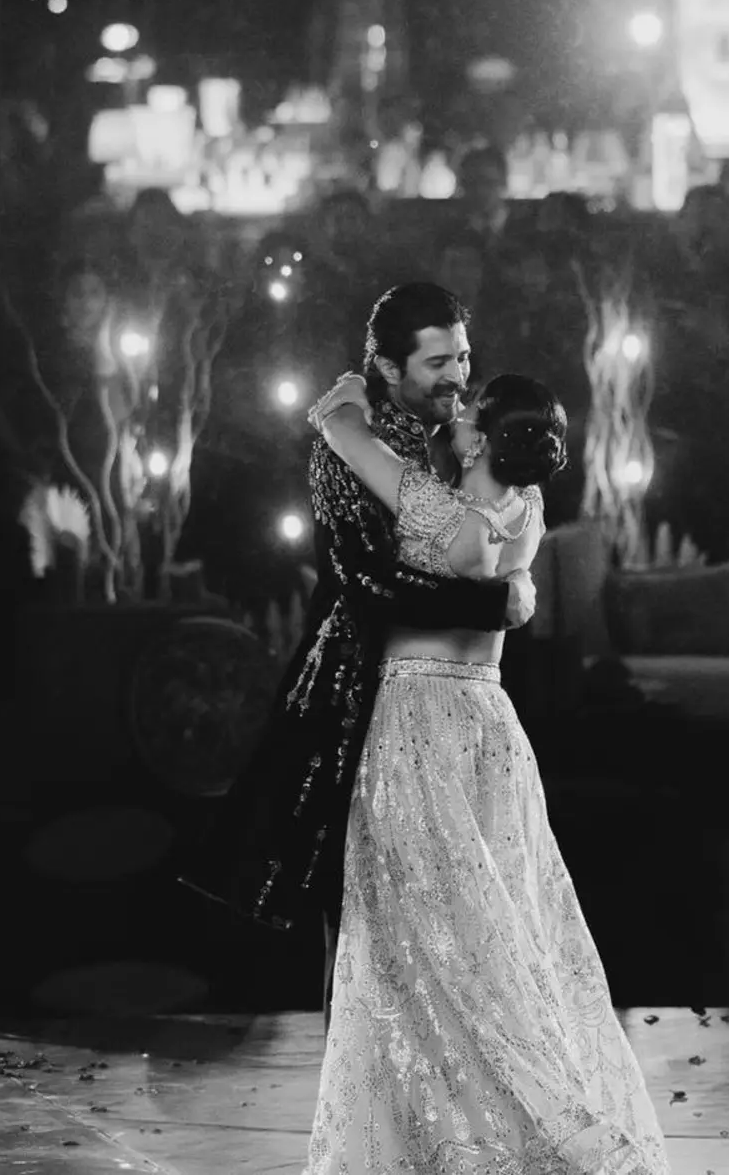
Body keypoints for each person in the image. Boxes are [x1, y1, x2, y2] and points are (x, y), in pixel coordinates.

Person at [302, 369, 670, 1175]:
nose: (455, 410)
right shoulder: (526, 513)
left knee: (429, 937)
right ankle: (456, 1129)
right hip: (491, 730)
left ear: (480, 436)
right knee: (490, 931)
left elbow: (352, 443)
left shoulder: (453, 520)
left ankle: (461, 1138)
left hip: (419, 730)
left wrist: (348, 412)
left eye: (468, 411)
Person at [207, 283, 518, 1020]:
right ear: (384, 365)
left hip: (456, 698)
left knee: (460, 911)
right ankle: (362, 1107)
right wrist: (497, 602)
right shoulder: (343, 447)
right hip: (358, 698)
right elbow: (369, 584)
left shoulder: (460, 438)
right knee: (364, 911)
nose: (458, 376)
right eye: (439, 360)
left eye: (464, 357)